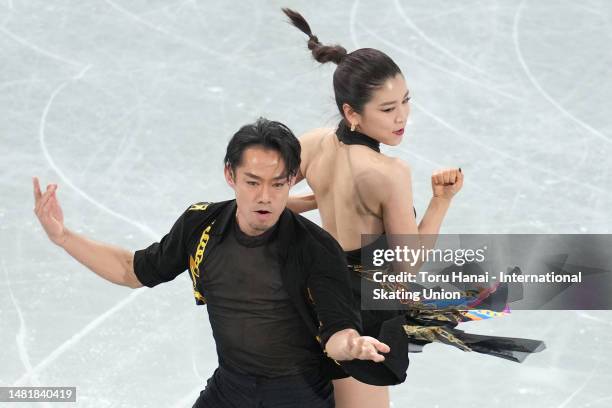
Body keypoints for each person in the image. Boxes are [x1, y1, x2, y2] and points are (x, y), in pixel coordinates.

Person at [32, 118, 393, 408]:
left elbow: (337, 333)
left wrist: (352, 344)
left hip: (297, 395)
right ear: (230, 176)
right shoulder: (199, 225)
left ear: (291, 182)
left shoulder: (316, 248)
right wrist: (63, 237)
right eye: (252, 182)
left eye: (278, 184)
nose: (264, 197)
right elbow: (132, 270)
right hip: (231, 387)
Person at [282, 8, 544, 408]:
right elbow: (407, 263)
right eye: (387, 109)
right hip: (361, 310)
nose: (402, 116)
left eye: (405, 101)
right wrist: (441, 201)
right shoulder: (389, 172)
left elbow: (267, 199)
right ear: (352, 113)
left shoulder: (314, 143)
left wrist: (318, 198)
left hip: (310, 293)